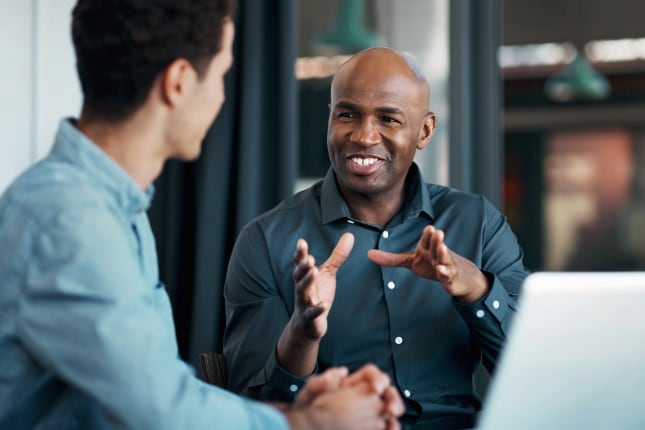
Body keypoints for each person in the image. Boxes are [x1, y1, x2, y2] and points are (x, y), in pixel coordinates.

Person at [0, 1, 405, 429]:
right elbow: (162, 416)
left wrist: (298, 411)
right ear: (178, 83)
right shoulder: (70, 222)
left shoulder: (111, 208)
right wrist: (310, 423)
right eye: (220, 74)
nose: (221, 95)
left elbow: (162, 391)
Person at [223, 47, 531, 429]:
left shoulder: (477, 223)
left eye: (388, 119)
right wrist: (302, 334)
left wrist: (476, 289)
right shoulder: (267, 241)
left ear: (425, 130)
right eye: (348, 114)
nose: (364, 136)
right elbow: (253, 413)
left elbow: (532, 373)